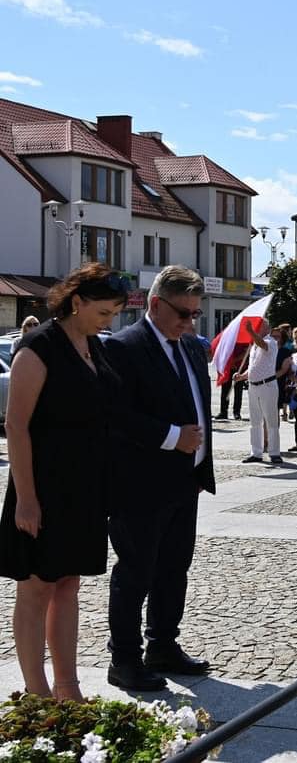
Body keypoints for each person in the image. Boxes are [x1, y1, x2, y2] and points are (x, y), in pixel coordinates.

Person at [1, 264, 128, 701]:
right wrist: (27, 501)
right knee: (36, 587)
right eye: (105, 311)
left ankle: (67, 687)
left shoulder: (93, 345)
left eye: (114, 314)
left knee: (68, 583)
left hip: (84, 488)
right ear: (78, 302)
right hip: (43, 487)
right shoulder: (38, 347)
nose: (109, 321)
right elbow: (16, 426)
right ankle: (36, 694)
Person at [104, 265, 213, 691]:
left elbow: (196, 404)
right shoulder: (124, 348)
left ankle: (163, 645)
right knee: (135, 572)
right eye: (183, 313)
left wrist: (200, 465)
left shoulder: (188, 347)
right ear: (154, 304)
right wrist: (171, 437)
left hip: (184, 482)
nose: (189, 323)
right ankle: (125, 659)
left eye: (194, 315)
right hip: (140, 484)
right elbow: (114, 416)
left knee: (174, 568)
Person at [235, 323, 283, 464]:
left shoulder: (271, 342)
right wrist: (242, 376)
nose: (257, 328)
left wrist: (250, 331)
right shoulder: (254, 345)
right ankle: (256, 452)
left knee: (271, 420)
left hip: (267, 385)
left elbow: (263, 345)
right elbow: (253, 367)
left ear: (267, 329)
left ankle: (274, 452)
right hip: (253, 386)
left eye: (260, 325)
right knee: (255, 421)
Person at [216, 342, 249, 420]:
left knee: (238, 391)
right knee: (225, 390)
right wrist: (229, 362)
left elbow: (245, 353)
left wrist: (234, 361)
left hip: (239, 367)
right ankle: (223, 412)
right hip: (228, 368)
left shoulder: (243, 340)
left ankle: (237, 412)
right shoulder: (228, 339)